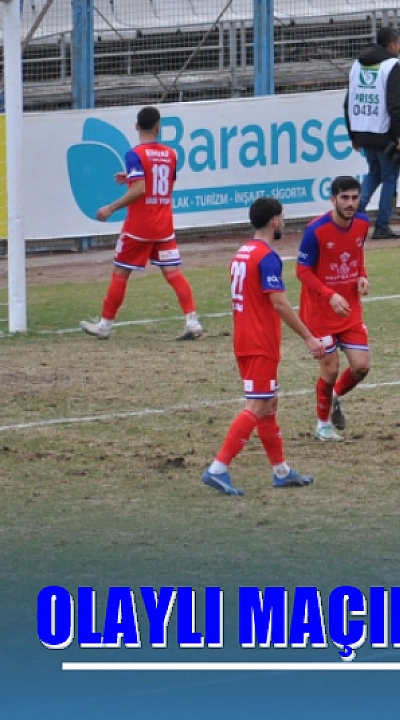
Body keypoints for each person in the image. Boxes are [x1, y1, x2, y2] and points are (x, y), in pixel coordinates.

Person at [201, 198, 326, 496]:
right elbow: (279, 303)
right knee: (257, 407)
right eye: (282, 217)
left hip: (244, 338)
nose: (283, 222)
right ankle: (218, 468)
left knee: (269, 405)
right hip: (260, 342)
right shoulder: (267, 257)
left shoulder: (242, 252)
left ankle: (281, 471)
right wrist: (308, 337)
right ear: (274, 221)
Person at [80, 106, 204, 341]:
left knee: (120, 272)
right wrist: (131, 176)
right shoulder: (171, 154)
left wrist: (111, 207)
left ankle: (105, 325)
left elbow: (140, 189)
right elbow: (162, 183)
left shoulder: (134, 154)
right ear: (159, 127)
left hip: (139, 227)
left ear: (137, 126)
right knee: (172, 272)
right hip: (163, 225)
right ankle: (193, 321)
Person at [296, 176, 373, 443]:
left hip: (349, 311)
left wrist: (362, 275)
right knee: (329, 370)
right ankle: (323, 425)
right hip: (320, 315)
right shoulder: (315, 230)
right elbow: (302, 271)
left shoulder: (362, 223)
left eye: (354, 198)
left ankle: (335, 396)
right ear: (333, 199)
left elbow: (357, 253)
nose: (350, 203)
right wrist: (329, 295)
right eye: (344, 198)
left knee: (361, 367)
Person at [344, 26, 400, 239]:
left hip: (363, 129)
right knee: (389, 178)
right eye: (399, 43)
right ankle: (382, 225)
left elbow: (348, 101)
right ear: (392, 45)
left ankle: (355, 212)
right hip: (384, 132)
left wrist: (353, 133)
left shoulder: (357, 64)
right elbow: (395, 105)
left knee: (374, 173)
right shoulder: (393, 66)